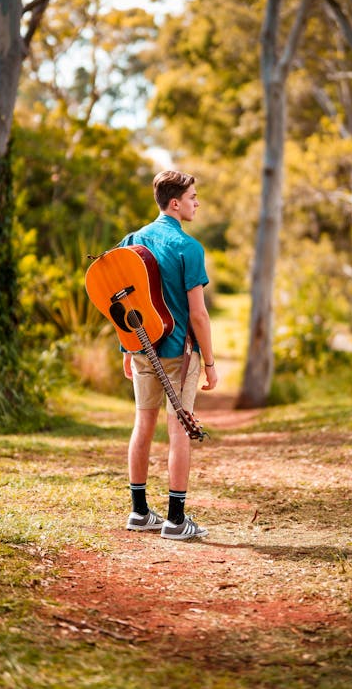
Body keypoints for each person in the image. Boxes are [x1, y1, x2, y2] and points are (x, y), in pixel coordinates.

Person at [119, 169, 218, 540]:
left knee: (142, 424)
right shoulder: (189, 248)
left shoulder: (132, 239)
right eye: (193, 197)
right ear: (175, 203)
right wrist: (209, 363)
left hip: (143, 349)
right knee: (179, 429)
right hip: (180, 352)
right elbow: (198, 314)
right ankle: (177, 519)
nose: (197, 203)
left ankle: (140, 512)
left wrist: (126, 348)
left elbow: (121, 297)